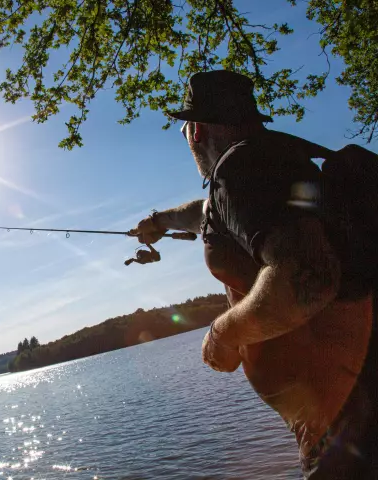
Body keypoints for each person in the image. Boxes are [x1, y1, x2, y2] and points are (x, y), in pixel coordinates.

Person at [131, 70, 378, 478]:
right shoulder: (274, 162)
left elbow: (309, 280)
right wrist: (159, 220)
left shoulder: (241, 169)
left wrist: (224, 334)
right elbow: (209, 214)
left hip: (349, 424)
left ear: (196, 131)